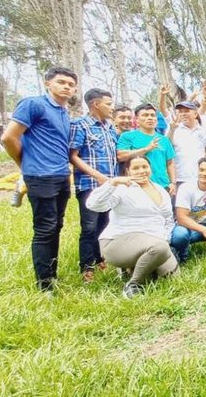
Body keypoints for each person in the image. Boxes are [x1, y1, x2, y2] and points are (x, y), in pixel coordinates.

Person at [0, 67, 77, 292]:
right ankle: (45, 284)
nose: (66, 87)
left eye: (71, 85)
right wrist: (24, 164)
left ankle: (51, 274)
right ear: (47, 83)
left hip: (61, 175)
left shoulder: (63, 112)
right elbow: (8, 137)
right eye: (61, 82)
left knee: (56, 225)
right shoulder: (33, 105)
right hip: (40, 176)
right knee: (45, 228)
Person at [85, 155, 179, 297]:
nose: (141, 171)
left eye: (145, 167)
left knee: (173, 277)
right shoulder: (122, 189)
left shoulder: (160, 190)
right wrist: (113, 182)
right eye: (136, 168)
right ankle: (134, 284)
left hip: (154, 241)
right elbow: (93, 205)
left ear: (150, 169)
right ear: (128, 171)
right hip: (119, 241)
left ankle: (135, 266)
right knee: (160, 249)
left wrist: (165, 238)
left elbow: (168, 219)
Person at [69, 88, 119, 283]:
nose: (112, 107)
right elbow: (73, 156)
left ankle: (101, 258)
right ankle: (86, 265)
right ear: (95, 104)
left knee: (105, 222)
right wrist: (97, 176)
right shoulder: (80, 125)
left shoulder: (109, 127)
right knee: (89, 226)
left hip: (111, 184)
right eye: (108, 104)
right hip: (89, 183)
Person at [117, 103, 177, 193]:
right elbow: (121, 156)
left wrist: (173, 183)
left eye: (152, 115)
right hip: (137, 186)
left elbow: (170, 163)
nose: (150, 118)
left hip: (163, 186)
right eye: (145, 115)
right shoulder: (127, 136)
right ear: (136, 119)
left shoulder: (164, 139)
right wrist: (146, 149)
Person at [167, 101, 206, 187]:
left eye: (186, 111)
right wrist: (172, 130)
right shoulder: (173, 129)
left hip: (200, 178)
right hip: (179, 178)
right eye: (180, 112)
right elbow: (166, 147)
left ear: (195, 114)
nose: (183, 114)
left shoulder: (204, 131)